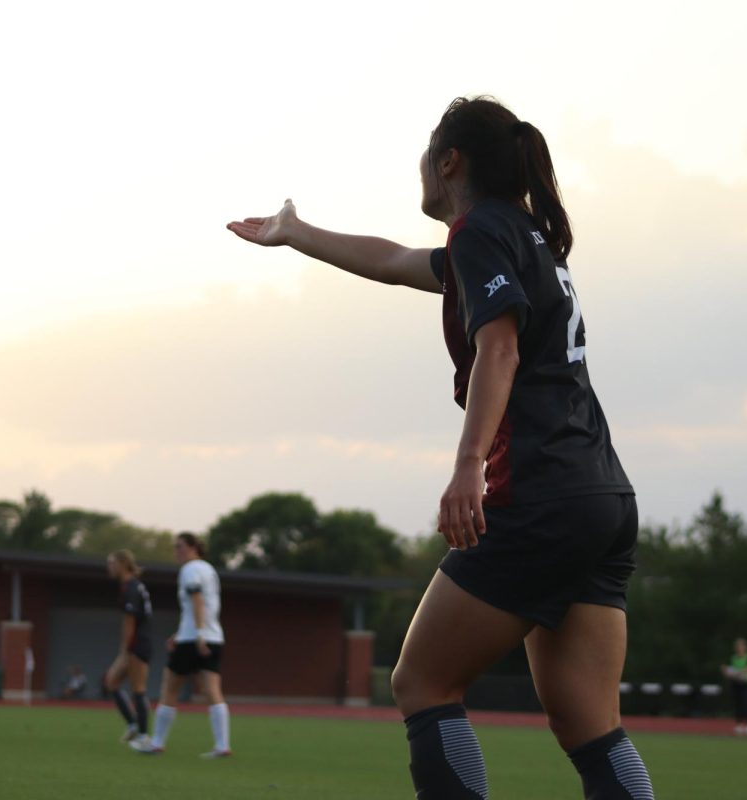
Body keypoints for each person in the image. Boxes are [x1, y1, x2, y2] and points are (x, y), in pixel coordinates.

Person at [228, 96, 652, 799]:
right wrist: (296, 233)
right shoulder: (523, 233)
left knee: (421, 681)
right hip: (600, 495)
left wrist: (468, 468)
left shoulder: (481, 230)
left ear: (449, 161)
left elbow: (500, 346)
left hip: (539, 490)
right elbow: (395, 261)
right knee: (589, 721)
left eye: (428, 153)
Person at [131, 532, 230, 758]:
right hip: (213, 636)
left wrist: (197, 634)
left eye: (180, 547)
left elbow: (196, 601)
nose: (176, 551)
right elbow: (205, 606)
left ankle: (156, 742)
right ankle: (222, 745)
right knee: (212, 690)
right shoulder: (208, 569)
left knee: (170, 687)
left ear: (193, 547)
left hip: (195, 638)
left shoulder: (190, 570)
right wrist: (181, 632)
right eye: (175, 547)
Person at [104, 549, 153, 744]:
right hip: (137, 643)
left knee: (138, 689)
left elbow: (130, 621)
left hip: (138, 644)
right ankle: (133, 725)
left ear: (123, 564)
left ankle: (144, 735)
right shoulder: (131, 586)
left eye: (112, 563)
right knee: (112, 681)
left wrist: (124, 651)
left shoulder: (131, 587)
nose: (109, 567)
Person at [720, 638, 747, 735]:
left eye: (741, 646)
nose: (739, 648)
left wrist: (738, 673)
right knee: (738, 704)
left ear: (745, 647)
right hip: (736, 684)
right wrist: (727, 672)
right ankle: (739, 724)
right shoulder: (733, 658)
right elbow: (727, 669)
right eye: (737, 646)